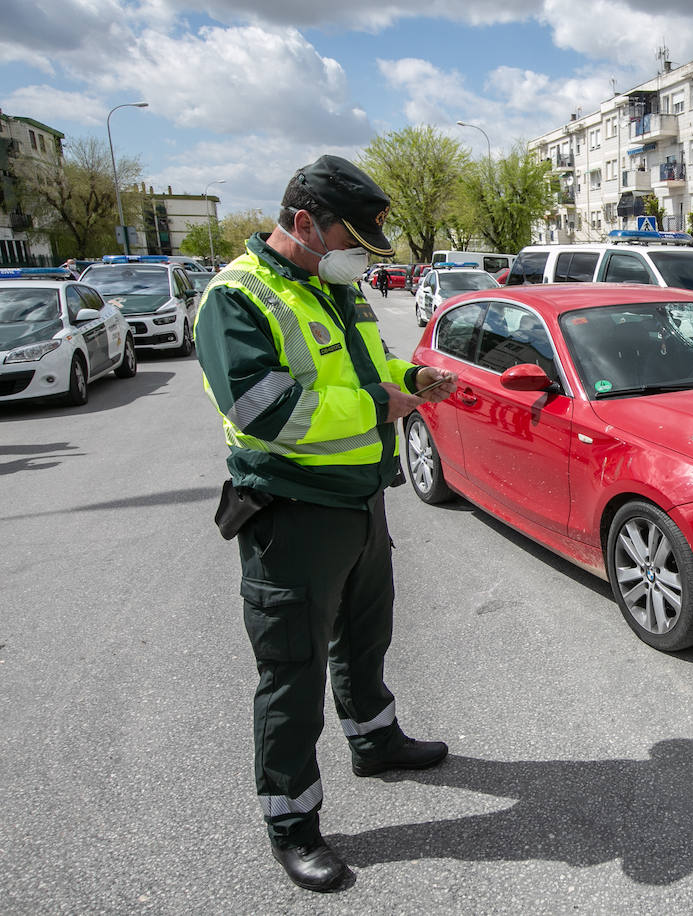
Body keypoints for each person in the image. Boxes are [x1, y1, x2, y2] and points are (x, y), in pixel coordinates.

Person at [194, 155, 457, 893]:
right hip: (293, 514)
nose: (359, 258)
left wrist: (412, 381)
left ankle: (374, 740)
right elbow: (267, 412)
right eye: (351, 239)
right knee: (292, 670)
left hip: (359, 500)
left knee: (368, 631)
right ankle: (293, 824)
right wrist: (384, 406)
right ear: (303, 222)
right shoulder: (235, 299)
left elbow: (367, 370)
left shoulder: (332, 287)